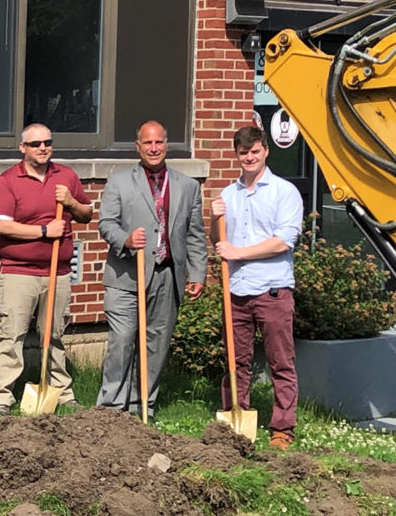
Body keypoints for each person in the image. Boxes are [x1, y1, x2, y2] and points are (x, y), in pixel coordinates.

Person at [97, 120, 207, 420]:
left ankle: (141, 406)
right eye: (147, 143)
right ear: (138, 147)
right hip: (125, 276)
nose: (154, 148)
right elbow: (106, 223)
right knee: (122, 341)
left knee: (156, 345)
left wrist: (197, 274)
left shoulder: (187, 186)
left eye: (158, 142)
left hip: (166, 275)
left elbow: (194, 233)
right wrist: (126, 240)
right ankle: (110, 409)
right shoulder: (119, 181)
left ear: (166, 144)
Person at [0, 123, 92, 416]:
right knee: (12, 335)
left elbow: (86, 213)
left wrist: (70, 201)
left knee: (54, 334)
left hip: (58, 272)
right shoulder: (9, 180)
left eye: (47, 142)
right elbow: (3, 226)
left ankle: (61, 391)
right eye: (35, 144)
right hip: (19, 271)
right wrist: (45, 231)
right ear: (23, 148)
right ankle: (2, 397)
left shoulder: (66, 177)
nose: (43, 147)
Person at [212, 126, 302, 450]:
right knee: (235, 362)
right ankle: (235, 419)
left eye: (254, 151)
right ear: (236, 155)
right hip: (237, 291)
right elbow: (219, 244)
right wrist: (214, 220)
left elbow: (283, 242)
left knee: (281, 362)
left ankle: (282, 429)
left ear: (265, 151)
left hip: (273, 291)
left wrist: (239, 253)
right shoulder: (228, 195)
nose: (249, 157)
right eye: (243, 152)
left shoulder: (284, 192)